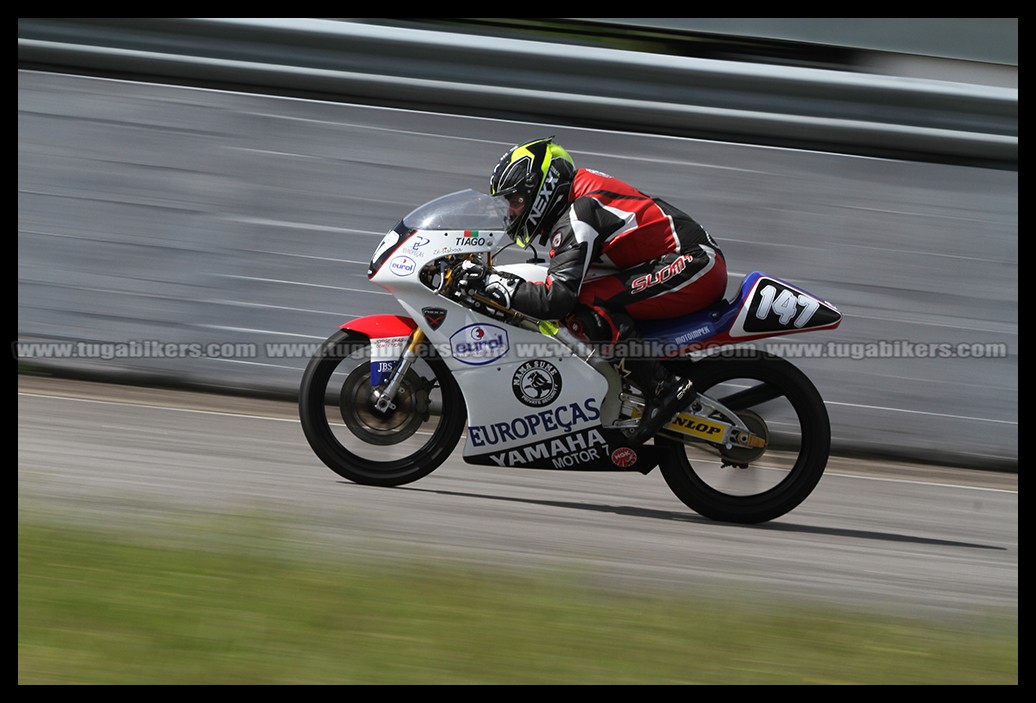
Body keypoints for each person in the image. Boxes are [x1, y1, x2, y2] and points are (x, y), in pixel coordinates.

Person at [460, 136, 727, 445]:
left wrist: (494, 284)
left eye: (517, 201)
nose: (513, 213)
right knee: (582, 294)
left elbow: (557, 299)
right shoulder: (577, 198)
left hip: (694, 263)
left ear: (543, 187)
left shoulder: (579, 213)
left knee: (587, 301)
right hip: (675, 259)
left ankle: (662, 388)